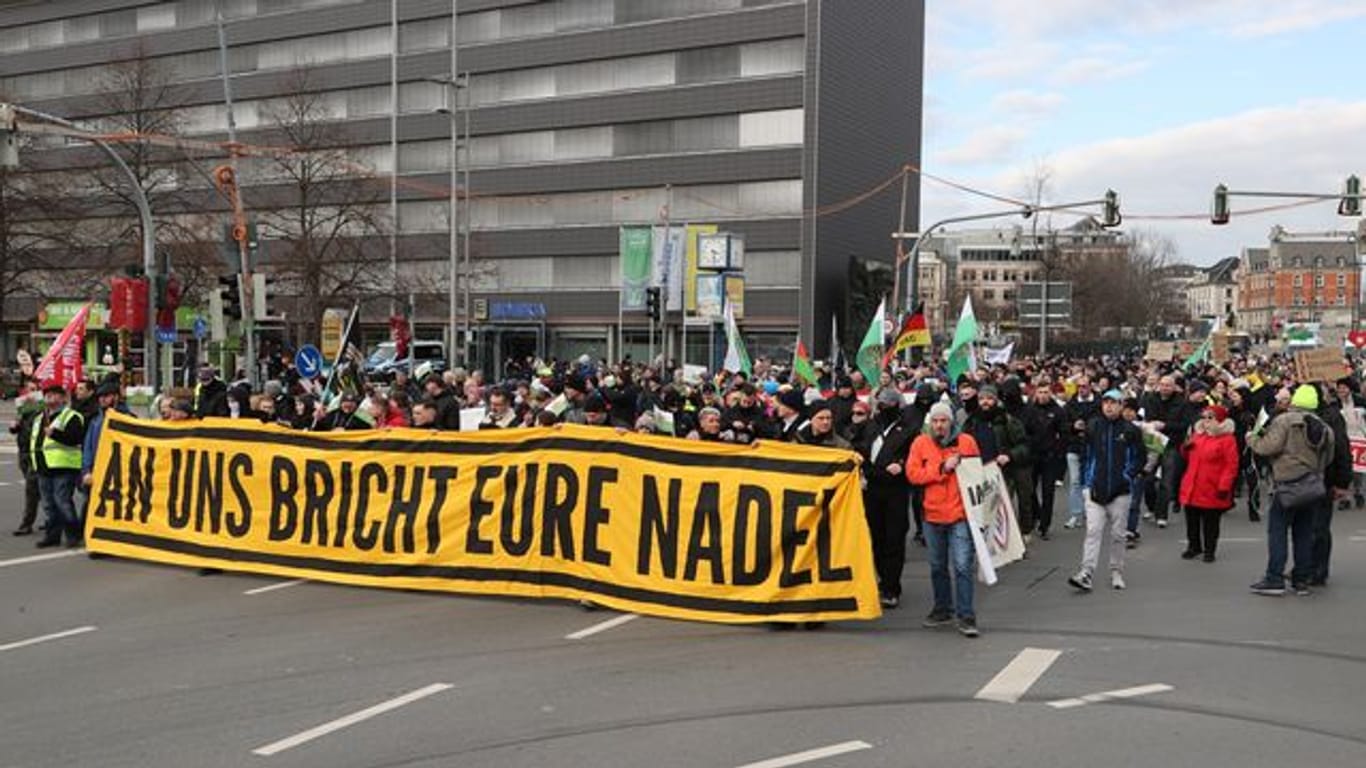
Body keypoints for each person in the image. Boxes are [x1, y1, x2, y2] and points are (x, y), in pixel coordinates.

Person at [1248, 384, 1334, 597]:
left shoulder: (1285, 421)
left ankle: (1274, 578)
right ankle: (1301, 580)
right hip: (1311, 485)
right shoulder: (1324, 427)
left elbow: (1269, 446)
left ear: (1294, 401)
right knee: (1303, 533)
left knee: (1277, 531)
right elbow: (1329, 457)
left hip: (1287, 483)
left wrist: (1251, 438)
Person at [907, 401, 981, 637]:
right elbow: (913, 474)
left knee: (962, 566)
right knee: (938, 566)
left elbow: (978, 474)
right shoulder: (920, 442)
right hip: (932, 514)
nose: (939, 425)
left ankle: (966, 615)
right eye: (936, 421)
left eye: (944, 421)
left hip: (960, 514)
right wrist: (941, 469)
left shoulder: (966, 442)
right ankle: (942, 609)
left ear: (951, 422)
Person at [1069, 389, 1144, 592]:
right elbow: (1085, 454)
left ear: (1122, 406)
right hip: (1094, 489)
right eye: (1106, 402)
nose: (1109, 406)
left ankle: (1116, 570)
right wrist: (1087, 483)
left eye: (1114, 403)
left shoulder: (1131, 430)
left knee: (1118, 535)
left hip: (1121, 491)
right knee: (1093, 531)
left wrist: (1128, 475)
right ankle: (1086, 572)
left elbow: (1140, 458)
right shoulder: (1093, 426)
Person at [858, 388, 914, 608]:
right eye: (880, 403)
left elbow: (912, 456)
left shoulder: (908, 431)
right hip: (872, 489)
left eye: (888, 404)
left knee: (894, 540)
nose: (883, 408)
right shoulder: (870, 427)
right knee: (876, 539)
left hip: (896, 493)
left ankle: (892, 587)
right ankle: (881, 579)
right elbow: (859, 449)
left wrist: (901, 464)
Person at [962, 384, 1034, 536]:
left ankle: (1018, 537)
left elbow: (1025, 446)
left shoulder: (1007, 421)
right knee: (988, 507)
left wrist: (1009, 455)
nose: (985, 402)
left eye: (989, 398)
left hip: (1007, 471)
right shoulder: (972, 422)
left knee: (1008, 506)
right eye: (981, 398)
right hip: (982, 471)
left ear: (996, 400)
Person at [1177, 404, 1239, 562]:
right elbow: (1186, 456)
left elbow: (1231, 465)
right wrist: (1185, 448)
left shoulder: (1227, 439)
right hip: (1192, 485)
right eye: (1204, 417)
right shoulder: (1198, 435)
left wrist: (1224, 486)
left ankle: (1209, 550)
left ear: (1219, 420)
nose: (1206, 421)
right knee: (1192, 520)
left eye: (1210, 418)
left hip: (1212, 486)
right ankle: (1194, 546)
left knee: (1210, 522)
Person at [32, 384, 87, 549]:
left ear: (63, 398)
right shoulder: (39, 417)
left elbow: (76, 438)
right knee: (48, 504)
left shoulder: (71, 416)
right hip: (43, 466)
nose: (50, 398)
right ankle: (52, 535)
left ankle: (73, 534)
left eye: (54, 395)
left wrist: (55, 434)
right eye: (47, 395)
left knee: (62, 501)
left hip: (64, 466)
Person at [1022, 377, 1066, 540]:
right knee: (1030, 490)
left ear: (1051, 393)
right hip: (1033, 456)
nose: (1043, 395)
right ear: (1035, 393)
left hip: (1050, 457)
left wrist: (1058, 451)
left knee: (1048, 493)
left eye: (1046, 392)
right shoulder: (1030, 410)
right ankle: (1036, 514)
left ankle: (1045, 525)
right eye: (1040, 392)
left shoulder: (1058, 411)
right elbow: (1024, 431)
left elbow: (1063, 434)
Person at [1062, 377, 1099, 529]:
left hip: (1092, 447)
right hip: (1074, 446)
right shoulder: (1070, 405)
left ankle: (1091, 513)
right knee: (1075, 481)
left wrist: (1089, 427)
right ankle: (1076, 514)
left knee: (1090, 481)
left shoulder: (1099, 403)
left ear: (1091, 386)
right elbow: (1063, 425)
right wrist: (1073, 426)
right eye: (1080, 387)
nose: (1082, 389)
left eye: (1085, 386)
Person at [9, 390, 44, 536]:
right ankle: (53, 518)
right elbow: (18, 431)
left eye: (33, 390)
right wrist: (14, 426)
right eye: (27, 390)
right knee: (39, 490)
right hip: (23, 452)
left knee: (31, 489)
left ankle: (26, 524)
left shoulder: (42, 412)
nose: (29, 395)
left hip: (35, 454)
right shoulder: (23, 412)